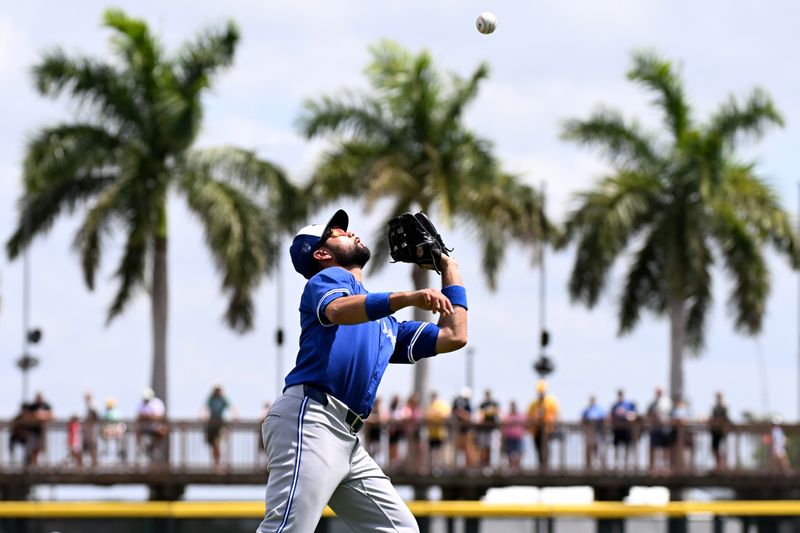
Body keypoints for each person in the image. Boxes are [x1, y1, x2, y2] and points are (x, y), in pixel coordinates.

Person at [257, 209, 468, 533]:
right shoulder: (327, 279)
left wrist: (448, 266)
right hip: (311, 419)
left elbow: (453, 336)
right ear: (322, 253)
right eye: (337, 232)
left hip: (346, 437)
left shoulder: (383, 322)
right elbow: (338, 310)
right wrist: (407, 297)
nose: (349, 232)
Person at [202, 384, 237, 471]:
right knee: (213, 445)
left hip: (219, 424)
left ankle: (217, 464)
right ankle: (215, 464)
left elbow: (231, 407)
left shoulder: (223, 398)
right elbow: (205, 408)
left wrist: (235, 416)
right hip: (211, 424)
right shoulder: (211, 398)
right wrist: (203, 416)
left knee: (217, 444)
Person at [527, 380, 560, 470]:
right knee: (538, 448)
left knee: (546, 448)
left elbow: (557, 415)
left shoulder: (551, 402)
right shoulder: (533, 404)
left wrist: (553, 424)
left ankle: (546, 466)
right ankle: (541, 466)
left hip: (548, 429)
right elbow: (528, 416)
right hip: (536, 430)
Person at [135, 388, 167, 462]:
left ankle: (155, 448)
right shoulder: (140, 404)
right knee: (136, 429)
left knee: (163, 431)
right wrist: (150, 416)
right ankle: (139, 448)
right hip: (144, 427)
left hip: (155, 427)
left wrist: (148, 416)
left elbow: (160, 417)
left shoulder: (158, 403)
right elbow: (138, 417)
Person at [646, 386, 673, 473]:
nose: (659, 393)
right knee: (654, 448)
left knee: (665, 449)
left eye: (660, 391)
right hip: (655, 428)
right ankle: (654, 468)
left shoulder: (667, 402)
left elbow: (672, 414)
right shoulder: (652, 403)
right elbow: (648, 414)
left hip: (665, 428)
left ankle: (665, 467)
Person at [609, 389, 637, 470]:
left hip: (627, 429)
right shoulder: (614, 406)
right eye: (619, 394)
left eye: (621, 394)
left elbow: (634, 414)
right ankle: (617, 465)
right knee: (617, 447)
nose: (620, 396)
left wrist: (626, 414)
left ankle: (627, 465)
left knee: (627, 447)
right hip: (617, 429)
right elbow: (610, 416)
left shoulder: (629, 404)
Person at [24, 392, 53, 466]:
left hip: (42, 431)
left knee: (40, 449)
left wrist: (43, 416)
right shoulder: (32, 407)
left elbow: (52, 416)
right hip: (33, 431)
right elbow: (26, 417)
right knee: (33, 449)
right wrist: (35, 416)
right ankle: (34, 464)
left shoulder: (46, 406)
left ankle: (38, 464)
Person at [452, 387, 478, 468]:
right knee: (457, 450)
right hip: (457, 431)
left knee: (467, 449)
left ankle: (467, 467)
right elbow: (455, 413)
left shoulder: (468, 405)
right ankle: (456, 467)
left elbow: (469, 417)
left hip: (466, 431)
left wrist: (463, 415)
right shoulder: (457, 403)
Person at [425, 391, 451, 472]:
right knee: (432, 452)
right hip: (431, 433)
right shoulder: (429, 405)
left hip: (441, 433)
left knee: (441, 452)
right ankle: (432, 468)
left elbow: (445, 415)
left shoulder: (442, 405)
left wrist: (434, 415)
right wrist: (436, 415)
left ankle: (441, 468)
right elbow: (427, 415)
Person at [581, 395, 606, 469]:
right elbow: (583, 419)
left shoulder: (600, 409)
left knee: (600, 449)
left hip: (598, 431)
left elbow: (604, 419)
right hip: (589, 431)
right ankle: (588, 465)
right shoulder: (586, 410)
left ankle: (602, 466)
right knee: (589, 448)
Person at [477, 389, 500, 468]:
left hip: (493, 429)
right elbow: (480, 415)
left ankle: (491, 465)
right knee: (483, 448)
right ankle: (484, 464)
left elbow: (497, 413)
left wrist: (488, 412)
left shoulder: (494, 403)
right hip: (483, 430)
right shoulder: (482, 404)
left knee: (493, 448)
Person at [501, 400, 525, 472]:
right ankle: (511, 468)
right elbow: (503, 425)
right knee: (508, 453)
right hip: (509, 437)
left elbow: (526, 423)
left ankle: (517, 467)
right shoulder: (507, 416)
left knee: (520, 452)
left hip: (518, 437)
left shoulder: (521, 416)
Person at [708, 392, 730, 471]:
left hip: (721, 431)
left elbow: (726, 419)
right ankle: (717, 464)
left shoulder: (724, 407)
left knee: (722, 448)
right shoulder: (714, 408)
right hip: (715, 431)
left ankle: (722, 464)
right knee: (714, 448)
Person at [82, 392, 99, 467]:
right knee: (89, 445)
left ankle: (94, 462)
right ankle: (93, 461)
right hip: (89, 428)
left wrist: (90, 420)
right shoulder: (89, 404)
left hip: (92, 428)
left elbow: (95, 415)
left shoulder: (92, 404)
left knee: (92, 445)